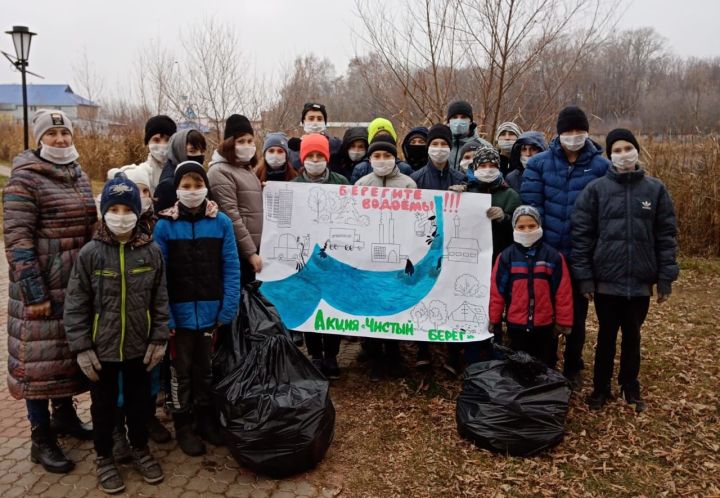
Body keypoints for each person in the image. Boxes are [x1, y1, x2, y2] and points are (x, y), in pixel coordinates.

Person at [3, 109, 96, 474]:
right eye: (52, 134)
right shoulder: (24, 181)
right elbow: (18, 242)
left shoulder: (79, 175)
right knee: (37, 367)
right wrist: (34, 293)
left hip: (74, 286)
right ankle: (40, 438)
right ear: (40, 139)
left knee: (63, 358)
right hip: (41, 289)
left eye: (65, 133)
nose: (60, 140)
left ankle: (65, 416)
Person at [64, 173, 168, 493]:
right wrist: (81, 347)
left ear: (138, 212)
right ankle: (104, 456)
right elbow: (76, 303)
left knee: (139, 404)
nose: (121, 216)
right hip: (101, 350)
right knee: (103, 407)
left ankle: (139, 448)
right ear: (104, 212)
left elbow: (161, 299)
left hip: (139, 347)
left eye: (127, 209)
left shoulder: (151, 252)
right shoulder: (91, 254)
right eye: (115, 209)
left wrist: (159, 337)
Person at [573, 128, 679, 412]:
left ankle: (630, 386)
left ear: (636, 151)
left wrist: (665, 277)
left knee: (633, 335)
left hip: (640, 280)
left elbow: (666, 235)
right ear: (609, 156)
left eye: (627, 148)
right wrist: (585, 278)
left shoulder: (655, 190)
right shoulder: (596, 190)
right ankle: (600, 388)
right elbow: (582, 236)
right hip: (607, 280)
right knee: (606, 336)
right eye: (616, 150)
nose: (623, 154)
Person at [153, 161, 241, 456]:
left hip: (210, 314)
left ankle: (205, 419)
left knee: (206, 371)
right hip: (178, 319)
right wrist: (166, 316)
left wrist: (227, 308)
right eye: (186, 186)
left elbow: (231, 267)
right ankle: (183, 425)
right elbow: (159, 276)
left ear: (206, 187)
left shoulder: (221, 223)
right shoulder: (164, 226)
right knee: (180, 373)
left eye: (197, 185)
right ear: (177, 189)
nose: (192, 191)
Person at [521, 105, 610, 390]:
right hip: (546, 252)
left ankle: (573, 365)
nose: (573, 136)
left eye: (579, 131)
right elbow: (532, 207)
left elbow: (604, 213)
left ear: (586, 132)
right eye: (568, 131)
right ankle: (545, 364)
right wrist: (540, 246)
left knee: (577, 314)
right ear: (558, 134)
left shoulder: (601, 167)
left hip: (581, 254)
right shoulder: (539, 164)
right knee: (544, 311)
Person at [487, 206, 573, 368]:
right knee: (519, 364)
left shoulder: (553, 256)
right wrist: (494, 319)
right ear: (514, 228)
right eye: (521, 227)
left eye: (532, 226)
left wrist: (563, 321)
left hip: (545, 324)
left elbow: (563, 292)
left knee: (545, 363)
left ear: (539, 226)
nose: (527, 230)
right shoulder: (506, 257)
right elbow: (497, 291)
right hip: (516, 323)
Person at [410, 124, 465, 375]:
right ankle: (423, 349)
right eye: (435, 144)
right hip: (425, 248)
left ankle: (453, 351)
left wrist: (466, 195)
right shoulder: (417, 178)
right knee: (425, 295)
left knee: (452, 295)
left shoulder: (460, 179)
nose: (439, 149)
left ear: (450, 148)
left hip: (453, 247)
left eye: (444, 144)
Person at [292, 134, 347, 378]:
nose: (315, 160)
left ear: (327, 158)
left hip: (334, 254)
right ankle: (315, 355)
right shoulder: (292, 185)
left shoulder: (341, 182)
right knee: (310, 303)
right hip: (305, 257)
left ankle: (332, 355)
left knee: (333, 303)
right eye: (310, 156)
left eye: (319, 156)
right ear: (303, 159)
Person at [208, 114, 263, 285]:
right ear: (230, 143)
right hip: (241, 254)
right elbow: (232, 215)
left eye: (249, 141)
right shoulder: (220, 172)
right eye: (241, 141)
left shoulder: (245, 169)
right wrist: (250, 253)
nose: (247, 146)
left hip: (256, 248)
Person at [465, 146, 521, 259]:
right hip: (470, 255)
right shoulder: (467, 190)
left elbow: (519, 227)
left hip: (499, 255)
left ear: (499, 168)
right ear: (475, 167)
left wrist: (504, 217)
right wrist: (454, 195)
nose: (488, 169)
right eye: (483, 166)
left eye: (492, 166)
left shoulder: (511, 195)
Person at [154, 129, 207, 212]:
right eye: (192, 151)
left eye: (202, 151)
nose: (199, 155)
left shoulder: (197, 173)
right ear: (179, 151)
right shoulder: (168, 184)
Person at [350, 118, 413, 184]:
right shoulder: (361, 169)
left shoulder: (404, 169)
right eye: (377, 135)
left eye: (386, 135)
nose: (382, 139)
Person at [288, 103, 343, 170]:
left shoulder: (336, 145)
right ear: (303, 122)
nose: (315, 122)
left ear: (324, 123)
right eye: (311, 119)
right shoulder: (293, 149)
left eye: (319, 119)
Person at [445, 100, 492, 171]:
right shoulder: (442, 145)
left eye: (463, 117)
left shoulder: (484, 146)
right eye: (454, 117)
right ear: (449, 121)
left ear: (470, 121)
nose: (458, 121)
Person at [137, 115, 177, 192]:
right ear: (148, 142)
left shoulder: (181, 169)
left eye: (168, 140)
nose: (162, 145)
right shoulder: (141, 172)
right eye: (156, 140)